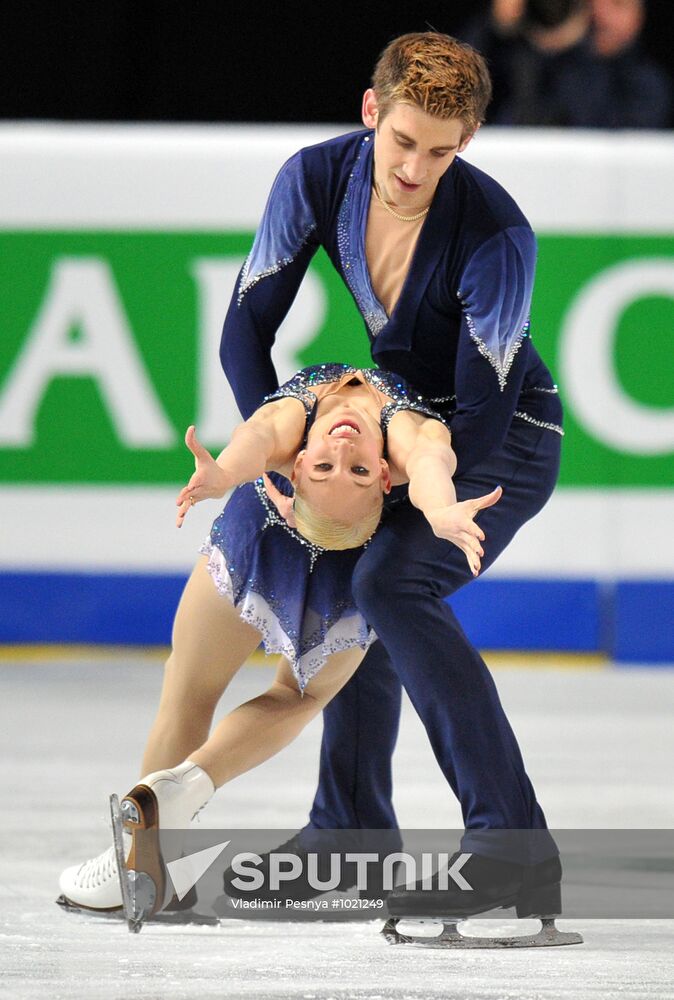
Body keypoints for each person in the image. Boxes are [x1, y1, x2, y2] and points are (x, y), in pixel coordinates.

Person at [219, 31, 567, 921]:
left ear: (469, 142)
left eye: (441, 152)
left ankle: (511, 847)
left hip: (505, 440)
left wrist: (409, 480)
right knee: (348, 575)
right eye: (403, 141)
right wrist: (292, 452)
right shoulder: (315, 177)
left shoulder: (496, 234)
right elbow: (244, 331)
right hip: (402, 428)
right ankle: (352, 838)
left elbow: (484, 415)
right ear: (371, 111)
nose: (415, 169)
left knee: (387, 580)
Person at [57, 363, 499, 917]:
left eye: (354, 469)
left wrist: (437, 508)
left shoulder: (307, 421)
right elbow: (265, 440)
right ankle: (175, 805)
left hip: (293, 549)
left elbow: (266, 435)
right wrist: (228, 473)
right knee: (295, 696)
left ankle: (145, 859)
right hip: (278, 536)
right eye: (343, 467)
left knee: (194, 687)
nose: (342, 450)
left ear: (388, 480)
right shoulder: (396, 429)